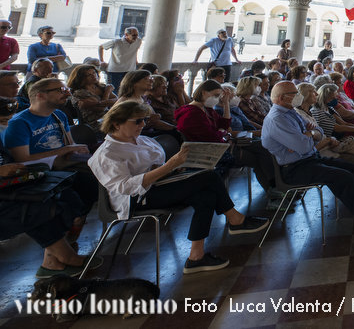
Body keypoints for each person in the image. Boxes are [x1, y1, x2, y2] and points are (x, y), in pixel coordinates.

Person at [88, 100, 269, 274]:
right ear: (116, 124)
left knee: (205, 194)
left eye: (144, 120)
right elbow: (125, 187)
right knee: (209, 177)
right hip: (136, 198)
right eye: (137, 121)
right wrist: (169, 166)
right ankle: (235, 219)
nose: (142, 124)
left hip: (160, 184)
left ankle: (196, 257)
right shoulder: (107, 154)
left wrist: (173, 167)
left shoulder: (142, 140)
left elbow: (157, 165)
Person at [261, 81, 354, 230]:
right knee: (343, 176)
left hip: (310, 159)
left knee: (353, 169)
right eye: (294, 93)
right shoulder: (277, 119)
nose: (298, 96)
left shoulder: (289, 112)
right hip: (295, 168)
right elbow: (304, 146)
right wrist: (308, 136)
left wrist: (308, 134)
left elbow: (319, 132)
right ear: (282, 98)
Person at [3, 77, 99, 214]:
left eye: (67, 90)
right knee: (89, 183)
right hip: (42, 171)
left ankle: (79, 218)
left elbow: (70, 144)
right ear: (40, 95)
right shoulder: (19, 123)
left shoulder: (59, 115)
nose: (67, 94)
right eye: (61, 90)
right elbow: (22, 159)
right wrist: (64, 150)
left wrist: (77, 149)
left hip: (65, 162)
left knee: (102, 171)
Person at [0, 147, 92, 278]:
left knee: (63, 195)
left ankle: (51, 262)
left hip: (8, 190)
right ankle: (65, 256)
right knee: (33, 208)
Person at [67, 63, 117, 130]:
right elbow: (101, 109)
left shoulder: (101, 87)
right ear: (81, 79)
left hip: (108, 116)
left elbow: (116, 100)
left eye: (94, 73)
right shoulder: (80, 93)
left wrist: (101, 102)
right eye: (89, 75)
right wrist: (107, 92)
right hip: (95, 123)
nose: (94, 76)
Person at [99, 27, 142, 92]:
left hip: (130, 70)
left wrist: (135, 60)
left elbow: (134, 50)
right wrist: (101, 60)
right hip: (115, 70)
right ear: (126, 35)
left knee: (127, 90)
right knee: (114, 91)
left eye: (137, 35)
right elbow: (101, 47)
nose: (136, 37)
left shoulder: (138, 41)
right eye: (134, 35)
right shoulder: (116, 42)